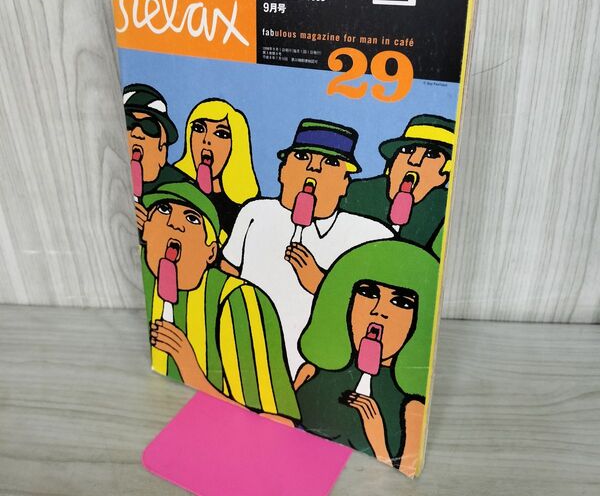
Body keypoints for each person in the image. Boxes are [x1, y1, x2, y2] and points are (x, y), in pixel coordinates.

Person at [222, 119, 393, 377]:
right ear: (282, 171)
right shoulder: (254, 213)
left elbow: (383, 315)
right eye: (302, 157)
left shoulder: (371, 236)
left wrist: (322, 285)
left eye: (331, 162)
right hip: (243, 354)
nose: (313, 168)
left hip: (319, 370)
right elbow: (228, 272)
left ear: (345, 183)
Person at [140, 181, 299, 423]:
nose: (174, 224)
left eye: (192, 219)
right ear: (146, 229)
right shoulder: (147, 276)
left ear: (211, 252)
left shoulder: (238, 301)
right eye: (163, 209)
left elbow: (279, 423)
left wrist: (190, 369)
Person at [295, 240, 439, 477]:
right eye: (368, 293)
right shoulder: (311, 372)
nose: (379, 311)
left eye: (401, 302)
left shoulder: (413, 408)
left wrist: (377, 437)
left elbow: (402, 476)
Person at [341, 114, 454, 258]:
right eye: (407, 150)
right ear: (391, 163)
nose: (414, 161)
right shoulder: (356, 194)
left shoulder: (445, 209)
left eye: (431, 154)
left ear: (444, 174)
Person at [174, 99, 259, 240]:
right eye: (199, 129)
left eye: (221, 134)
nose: (206, 139)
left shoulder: (245, 210)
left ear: (236, 145)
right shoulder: (174, 188)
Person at [123, 83, 189, 232]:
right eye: (129, 123)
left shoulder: (181, 189)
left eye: (149, 127)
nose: (137, 133)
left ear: (163, 148)